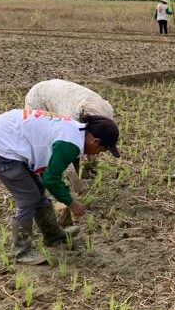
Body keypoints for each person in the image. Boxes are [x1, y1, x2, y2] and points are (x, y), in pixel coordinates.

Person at [0, 107, 120, 265]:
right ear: (96, 141)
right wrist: (71, 203)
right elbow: (51, 179)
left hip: (4, 135)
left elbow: (47, 174)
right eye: (103, 149)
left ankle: (53, 235)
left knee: (38, 191)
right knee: (28, 198)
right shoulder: (69, 144)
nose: (99, 153)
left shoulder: (76, 131)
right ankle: (22, 252)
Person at [24, 79, 116, 225]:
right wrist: (75, 184)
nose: (100, 153)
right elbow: (67, 153)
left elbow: (90, 144)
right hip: (40, 98)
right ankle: (53, 203)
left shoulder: (106, 112)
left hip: (64, 95)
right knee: (49, 154)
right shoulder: (71, 119)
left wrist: (90, 163)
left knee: (76, 150)